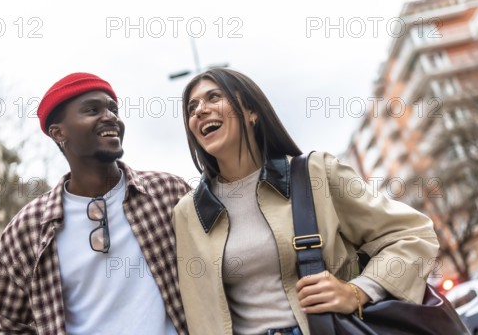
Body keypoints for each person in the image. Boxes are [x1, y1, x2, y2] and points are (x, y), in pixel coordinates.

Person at [173, 67, 440, 335]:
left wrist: (358, 291)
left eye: (213, 97)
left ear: (251, 112)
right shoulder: (188, 214)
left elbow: (412, 234)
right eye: (192, 107)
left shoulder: (316, 174)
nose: (199, 111)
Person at [0, 72, 190, 334]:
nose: (110, 116)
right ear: (58, 133)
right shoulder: (27, 229)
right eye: (92, 110)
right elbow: (7, 325)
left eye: (113, 108)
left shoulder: (168, 193)